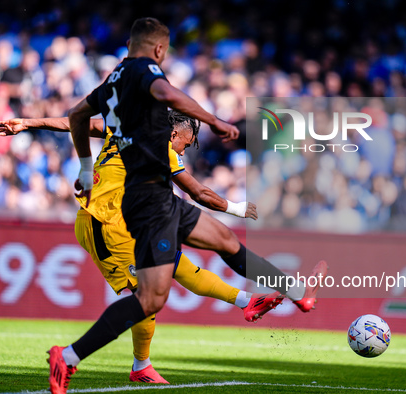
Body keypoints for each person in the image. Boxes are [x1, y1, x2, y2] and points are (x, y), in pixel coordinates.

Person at [48, 17, 326, 394]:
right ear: (159, 50)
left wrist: (83, 168)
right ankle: (69, 357)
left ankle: (295, 293)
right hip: (144, 204)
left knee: (225, 240)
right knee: (149, 299)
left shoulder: (114, 82)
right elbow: (167, 95)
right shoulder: (143, 71)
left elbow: (80, 117)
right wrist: (213, 120)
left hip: (156, 199)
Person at [0, 113, 285, 384]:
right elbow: (198, 192)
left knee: (177, 265)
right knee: (146, 298)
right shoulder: (161, 148)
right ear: (173, 134)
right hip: (104, 224)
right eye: (187, 142)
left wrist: (29, 122)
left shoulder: (126, 126)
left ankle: (245, 301)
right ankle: (132, 364)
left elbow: (79, 122)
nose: (186, 149)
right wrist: (238, 208)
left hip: (124, 221)